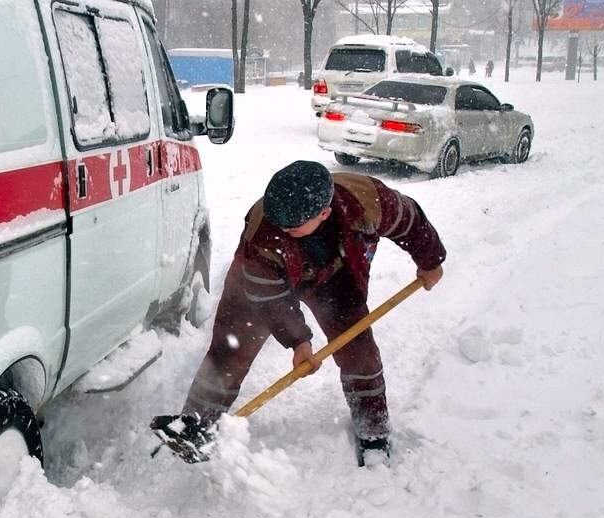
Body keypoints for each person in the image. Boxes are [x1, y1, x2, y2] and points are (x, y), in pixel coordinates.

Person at [179, 161, 446, 462]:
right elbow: (270, 299)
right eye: (279, 224)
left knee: (359, 353)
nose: (283, 229)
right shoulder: (264, 233)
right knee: (231, 346)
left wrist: (430, 259)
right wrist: (299, 341)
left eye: (292, 228)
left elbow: (410, 221)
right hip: (262, 281)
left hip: (335, 276)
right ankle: (194, 426)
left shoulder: (367, 201)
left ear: (324, 213)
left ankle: (373, 431)